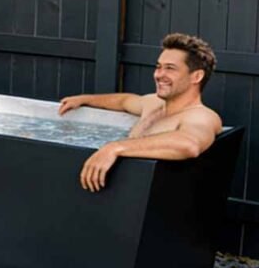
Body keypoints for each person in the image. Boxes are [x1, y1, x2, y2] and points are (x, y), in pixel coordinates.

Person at [58, 33, 222, 193]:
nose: (159, 75)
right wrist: (85, 99)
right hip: (124, 189)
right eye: (158, 67)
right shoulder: (154, 103)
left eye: (170, 68)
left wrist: (114, 148)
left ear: (196, 76)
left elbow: (189, 145)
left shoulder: (202, 116)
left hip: (154, 197)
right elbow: (124, 101)